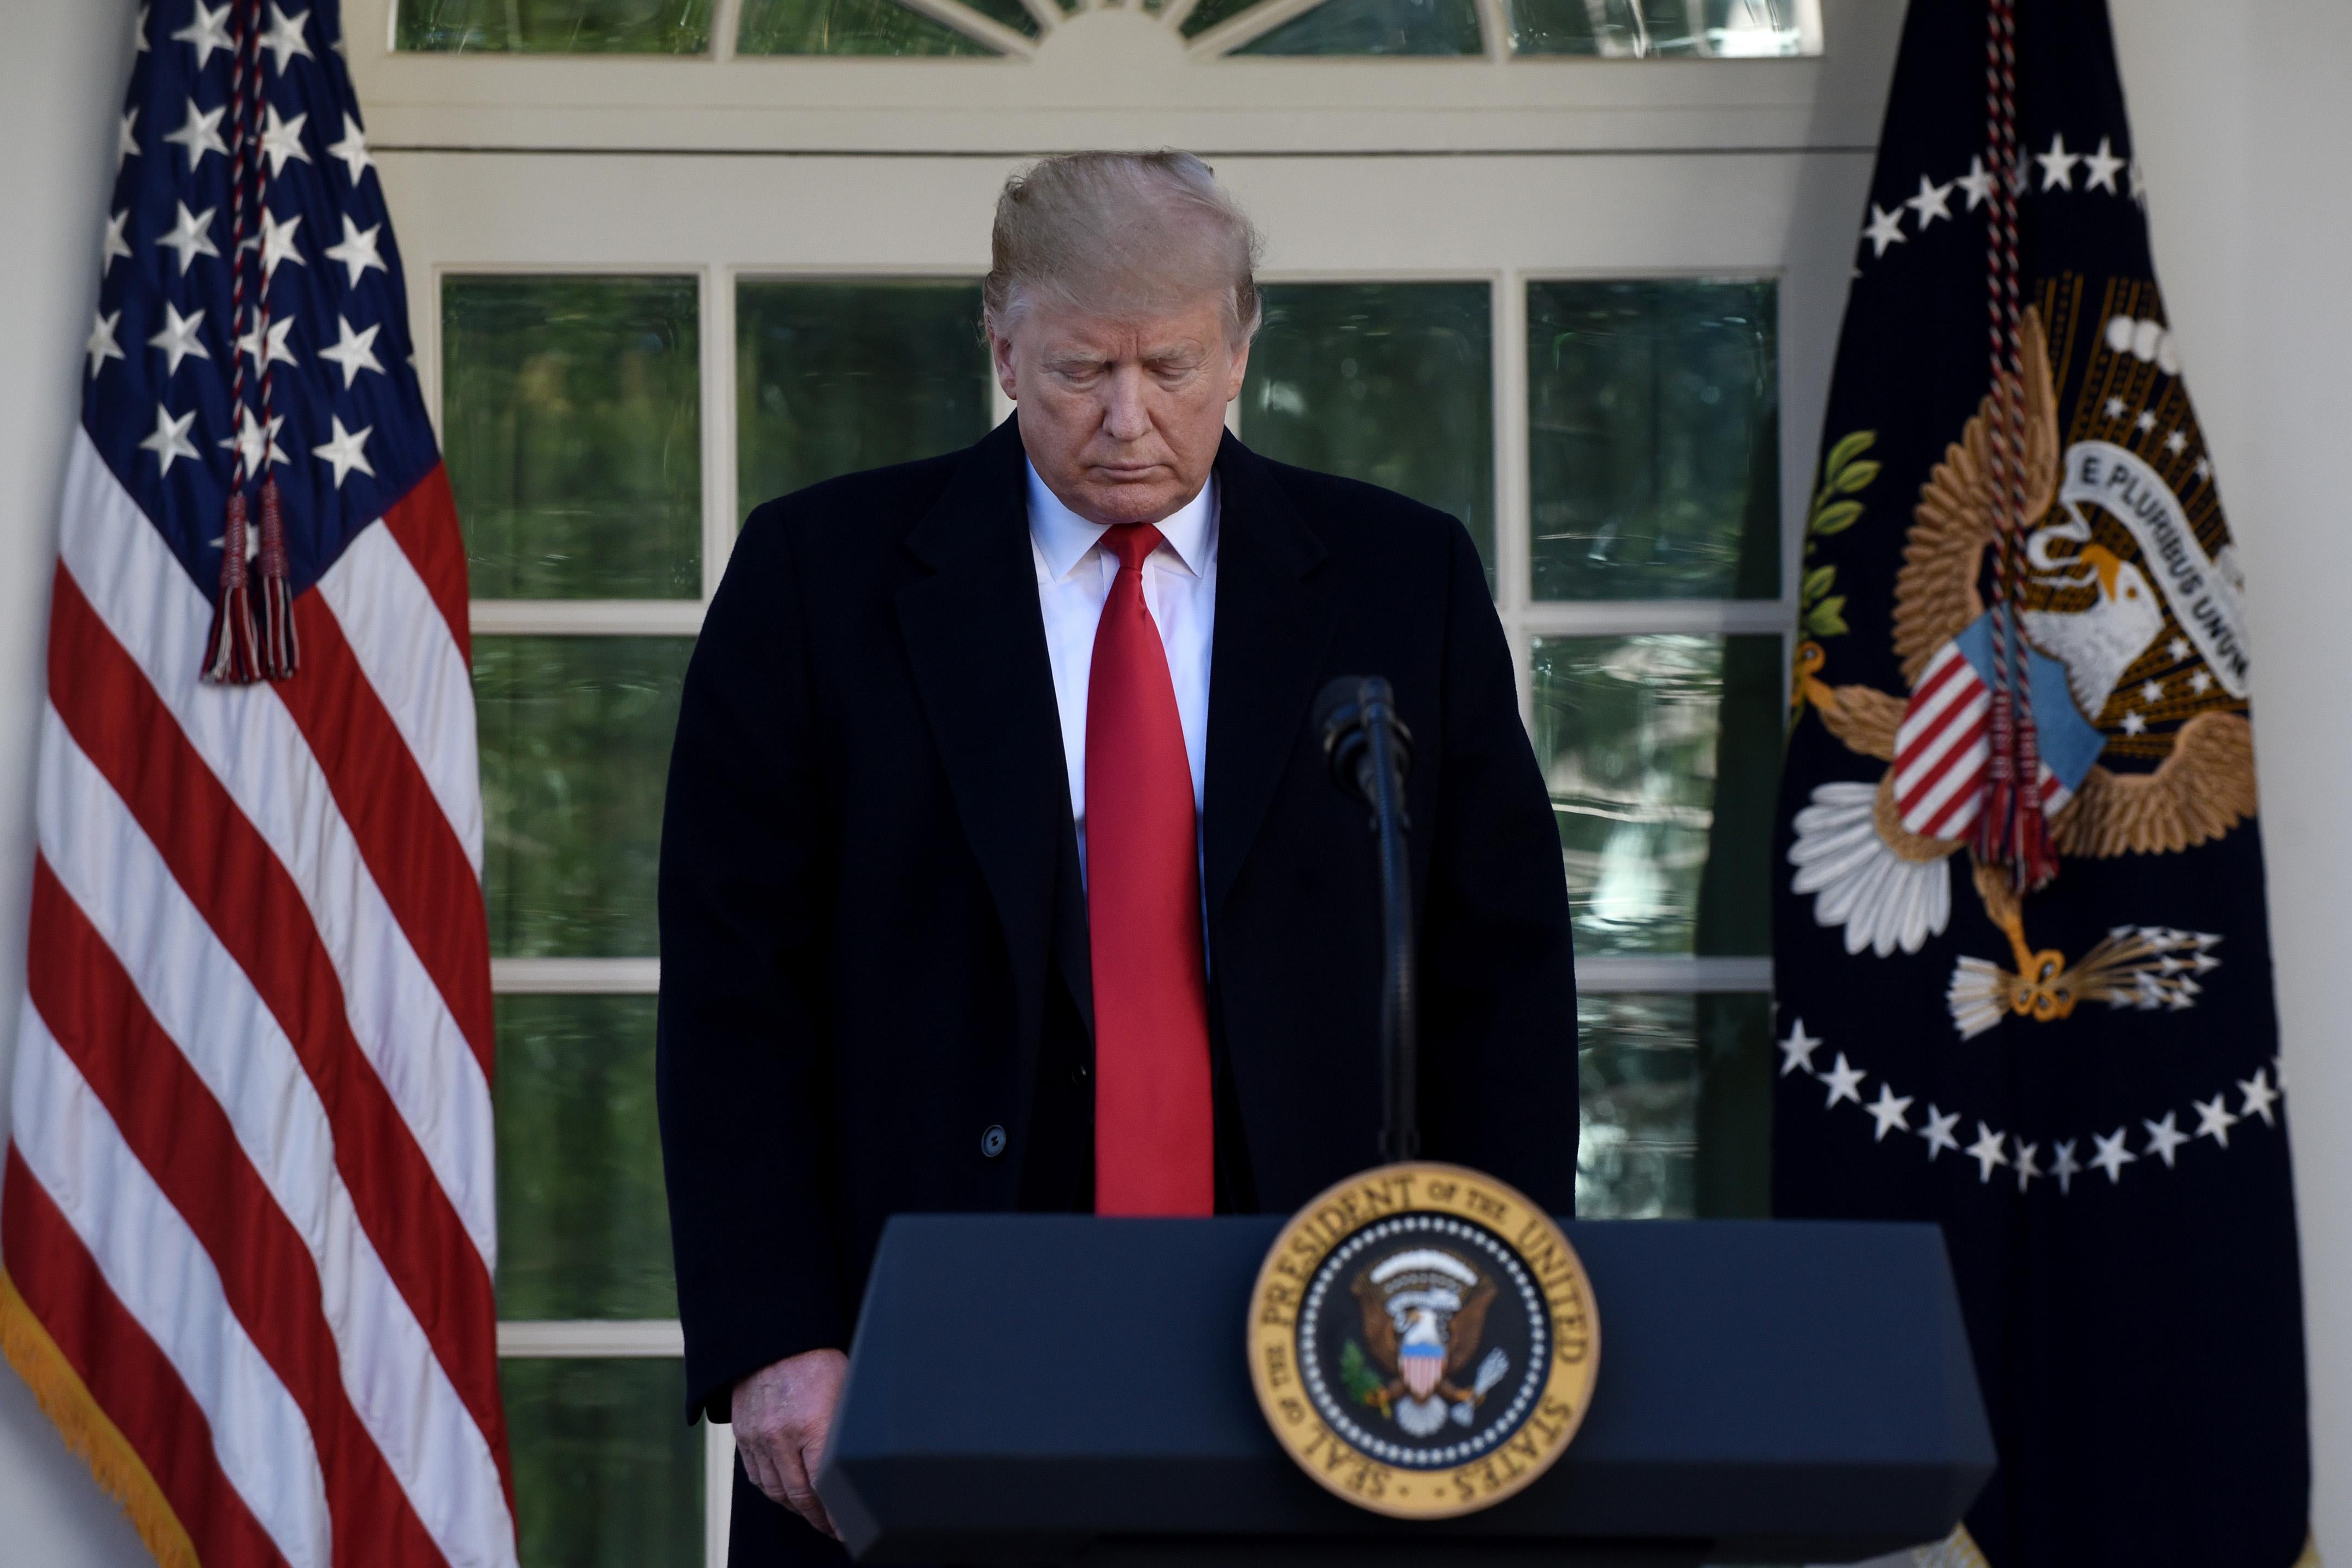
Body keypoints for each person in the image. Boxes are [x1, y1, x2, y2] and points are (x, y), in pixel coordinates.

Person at [656, 150, 1577, 1567]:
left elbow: (1500, 990)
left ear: (1243, 342)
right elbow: (735, 996)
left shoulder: (1405, 585)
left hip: (1331, 1350)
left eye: (1173, 366)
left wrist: (1489, 1321)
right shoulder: (815, 579)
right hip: (926, 1348)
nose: (1130, 420)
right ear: (1001, 340)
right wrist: (778, 1333)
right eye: (1083, 368)